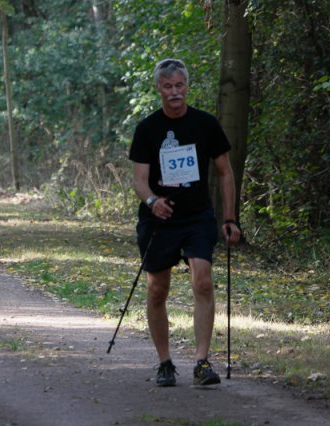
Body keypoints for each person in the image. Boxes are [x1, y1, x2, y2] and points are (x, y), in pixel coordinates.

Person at [128, 59, 241, 387]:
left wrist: (230, 218)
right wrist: (153, 201)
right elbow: (139, 181)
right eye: (168, 87)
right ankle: (165, 363)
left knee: (203, 281)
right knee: (158, 289)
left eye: (179, 86)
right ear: (159, 89)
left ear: (186, 87)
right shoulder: (147, 129)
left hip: (197, 217)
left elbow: (225, 172)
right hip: (159, 220)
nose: (174, 92)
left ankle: (202, 362)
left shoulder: (206, 124)